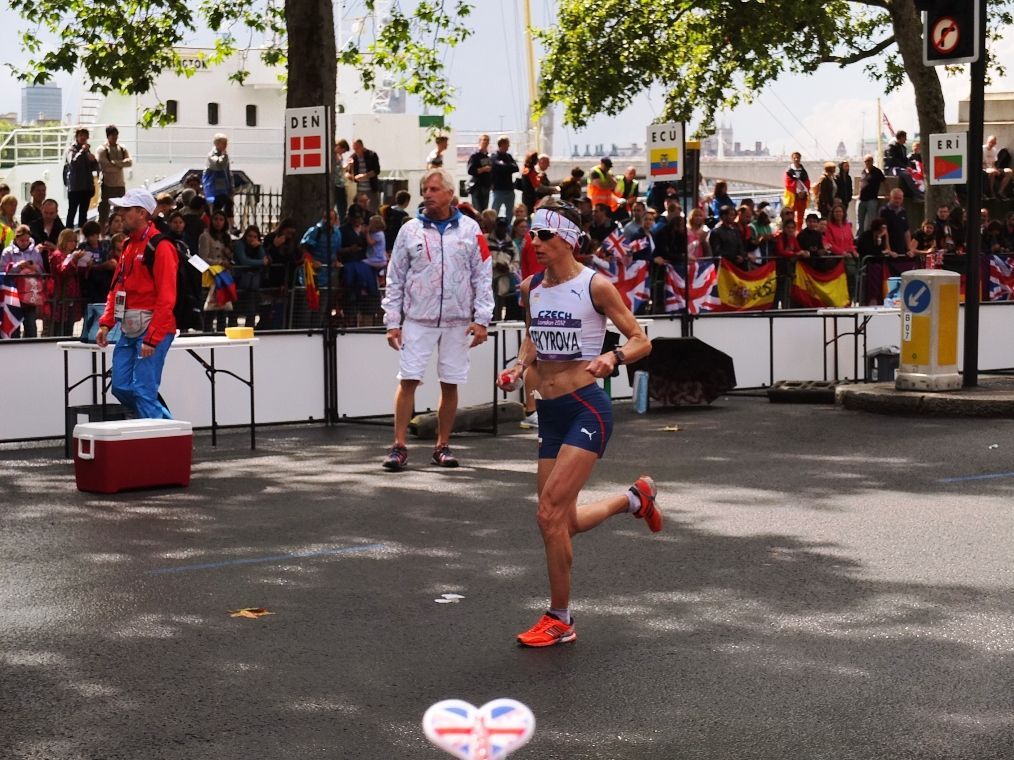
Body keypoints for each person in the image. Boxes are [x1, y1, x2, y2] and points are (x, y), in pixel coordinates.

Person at [495, 200, 658, 647]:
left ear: (568, 239)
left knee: (547, 514)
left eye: (544, 235)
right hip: (550, 413)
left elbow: (640, 340)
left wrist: (613, 356)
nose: (535, 242)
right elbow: (533, 338)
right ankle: (633, 499)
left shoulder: (595, 286)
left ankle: (560, 618)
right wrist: (517, 367)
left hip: (587, 409)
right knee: (561, 522)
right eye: (531, 234)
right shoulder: (530, 287)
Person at [380, 168, 493, 471]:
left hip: (458, 321)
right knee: (408, 379)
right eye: (425, 189)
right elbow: (395, 277)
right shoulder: (409, 230)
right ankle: (398, 446)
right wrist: (393, 322)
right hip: (418, 319)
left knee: (450, 383)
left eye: (433, 189)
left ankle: (442, 446)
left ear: (450, 194)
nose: (427, 194)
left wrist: (482, 319)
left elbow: (483, 275)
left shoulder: (471, 229)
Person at [95, 189, 178, 419]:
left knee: (142, 391)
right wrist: (106, 324)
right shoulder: (129, 245)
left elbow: (167, 296)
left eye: (126, 209)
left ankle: (163, 433)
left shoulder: (161, 246)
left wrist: (152, 337)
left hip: (152, 328)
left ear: (142, 213)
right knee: (121, 387)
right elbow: (117, 288)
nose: (121, 214)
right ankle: (167, 427)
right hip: (131, 327)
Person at [0, 225, 46, 337]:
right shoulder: (7, 252)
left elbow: (42, 272)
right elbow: (2, 272)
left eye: (27, 240)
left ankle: (31, 347)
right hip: (13, 296)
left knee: (31, 327)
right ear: (16, 238)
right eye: (21, 240)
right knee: (14, 328)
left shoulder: (35, 252)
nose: (24, 243)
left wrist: (35, 267)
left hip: (30, 296)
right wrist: (18, 267)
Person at [96, 125, 133, 227]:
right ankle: (102, 232)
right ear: (108, 136)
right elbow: (105, 166)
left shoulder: (122, 149)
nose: (115, 137)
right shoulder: (102, 149)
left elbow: (129, 162)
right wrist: (120, 165)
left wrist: (115, 163)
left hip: (120, 185)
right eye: (112, 135)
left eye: (116, 135)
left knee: (122, 212)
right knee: (103, 214)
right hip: (107, 185)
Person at [65, 128, 99, 228]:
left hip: (86, 187)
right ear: (76, 137)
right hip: (75, 188)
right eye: (81, 135)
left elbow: (94, 168)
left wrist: (94, 161)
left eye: (85, 135)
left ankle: (82, 233)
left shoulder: (88, 151)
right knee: (72, 212)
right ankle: (68, 233)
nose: (83, 137)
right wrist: (82, 151)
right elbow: (73, 163)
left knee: (83, 214)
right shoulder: (71, 150)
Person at [203, 133, 235, 229]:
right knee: (220, 206)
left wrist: (231, 187)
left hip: (222, 188)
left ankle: (228, 225)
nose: (225, 145)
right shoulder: (212, 155)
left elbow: (228, 173)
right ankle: (222, 225)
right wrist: (224, 156)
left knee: (225, 205)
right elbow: (219, 165)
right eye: (223, 143)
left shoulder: (224, 156)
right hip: (214, 188)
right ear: (216, 143)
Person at [490, 135, 519, 219]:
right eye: (507, 144)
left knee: (510, 212)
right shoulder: (494, 157)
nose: (508, 146)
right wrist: (508, 167)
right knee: (495, 211)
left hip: (509, 189)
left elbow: (516, 168)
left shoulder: (509, 156)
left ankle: (508, 226)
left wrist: (504, 166)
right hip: (498, 190)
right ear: (502, 144)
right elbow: (496, 166)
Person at [351, 139, 382, 213]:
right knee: (360, 211)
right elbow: (349, 172)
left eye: (357, 148)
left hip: (371, 189)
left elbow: (376, 170)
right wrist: (353, 177)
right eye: (354, 149)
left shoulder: (372, 155)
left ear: (362, 147)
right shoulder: (354, 157)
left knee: (373, 210)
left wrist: (364, 176)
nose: (356, 151)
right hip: (359, 190)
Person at [857, 154, 885, 234]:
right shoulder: (863, 171)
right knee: (859, 221)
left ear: (872, 161)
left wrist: (888, 193)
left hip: (872, 200)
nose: (867, 163)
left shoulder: (877, 171)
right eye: (866, 161)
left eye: (869, 161)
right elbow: (861, 183)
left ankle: (870, 236)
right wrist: (859, 194)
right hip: (861, 200)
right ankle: (859, 237)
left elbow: (885, 182)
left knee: (871, 221)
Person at [466, 134, 494, 211]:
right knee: (477, 210)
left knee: (484, 210)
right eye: (484, 140)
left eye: (487, 140)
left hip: (486, 187)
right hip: (477, 187)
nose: (486, 142)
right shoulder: (475, 156)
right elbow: (470, 170)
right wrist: (483, 169)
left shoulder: (489, 156)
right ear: (480, 141)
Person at [784, 152, 810, 229]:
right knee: (790, 215)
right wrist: (797, 191)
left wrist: (803, 192)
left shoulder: (803, 171)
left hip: (802, 197)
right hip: (792, 197)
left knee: (800, 217)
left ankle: (799, 230)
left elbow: (807, 182)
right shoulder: (788, 171)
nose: (796, 159)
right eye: (794, 158)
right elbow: (787, 183)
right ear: (792, 159)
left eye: (798, 157)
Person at [983, 135, 1013, 199]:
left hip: (992, 168)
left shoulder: (994, 150)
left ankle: (1000, 191)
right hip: (984, 168)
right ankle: (991, 192)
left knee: (1009, 171)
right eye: (990, 142)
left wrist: (995, 169)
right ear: (987, 141)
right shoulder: (982, 149)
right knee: (992, 172)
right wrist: (990, 169)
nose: (991, 144)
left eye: (993, 143)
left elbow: (994, 163)